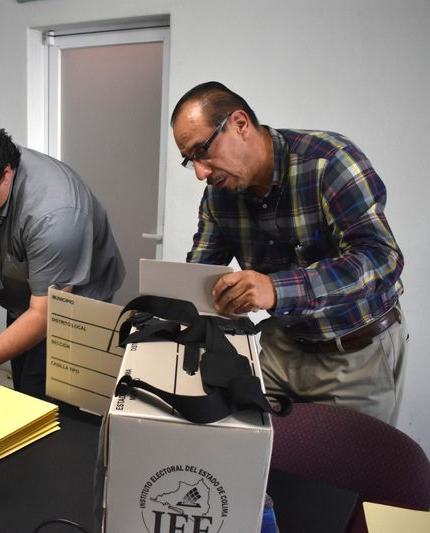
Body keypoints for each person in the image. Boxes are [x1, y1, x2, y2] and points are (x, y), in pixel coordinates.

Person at [171, 81, 407, 424]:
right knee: (260, 460)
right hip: (281, 346)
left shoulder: (330, 162)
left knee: (340, 474)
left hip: (355, 354)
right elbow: (198, 273)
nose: (200, 173)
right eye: (189, 160)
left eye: (202, 151)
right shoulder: (218, 196)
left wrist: (276, 289)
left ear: (240, 124)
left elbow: (382, 259)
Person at [0, 121, 125, 397]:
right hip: (25, 293)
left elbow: (43, 313)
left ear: (5, 175)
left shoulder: (54, 214)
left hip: (72, 307)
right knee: (22, 384)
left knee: (45, 396)